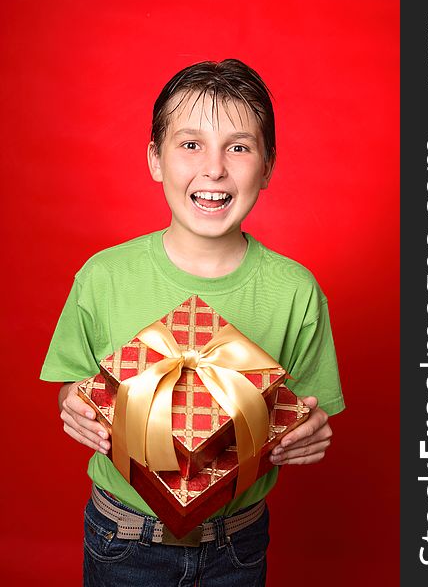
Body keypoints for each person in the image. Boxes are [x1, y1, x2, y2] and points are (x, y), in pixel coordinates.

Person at [40, 59, 345, 587]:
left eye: (239, 146)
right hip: (125, 537)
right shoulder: (103, 276)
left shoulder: (296, 291)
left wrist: (311, 435)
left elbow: (309, 414)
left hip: (239, 542)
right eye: (190, 144)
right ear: (155, 159)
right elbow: (72, 387)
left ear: (268, 165)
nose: (214, 168)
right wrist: (73, 404)